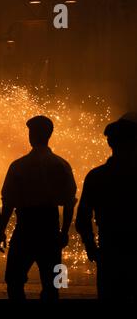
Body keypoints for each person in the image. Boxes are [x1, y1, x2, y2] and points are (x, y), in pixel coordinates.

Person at [0, 115, 77, 300]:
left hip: (25, 227)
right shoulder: (61, 164)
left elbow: (8, 202)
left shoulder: (18, 166)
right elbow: (68, 202)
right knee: (53, 284)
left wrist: (0, 230)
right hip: (50, 228)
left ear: (32, 135)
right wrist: (64, 231)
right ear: (49, 134)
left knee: (14, 280)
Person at [76, 114, 137, 301]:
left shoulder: (97, 176)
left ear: (110, 143)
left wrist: (92, 248)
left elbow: (82, 219)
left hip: (110, 252)